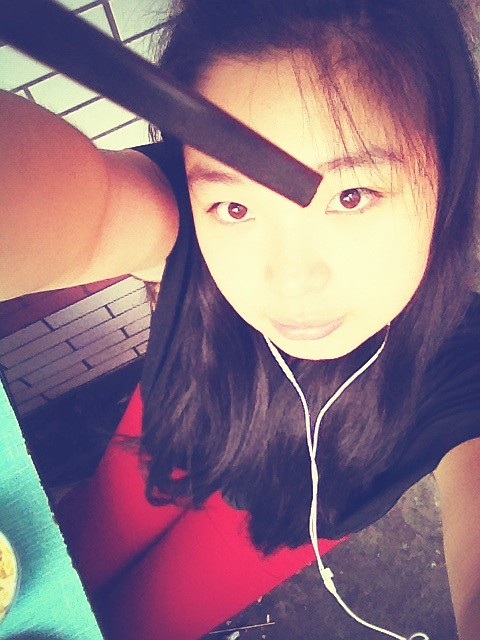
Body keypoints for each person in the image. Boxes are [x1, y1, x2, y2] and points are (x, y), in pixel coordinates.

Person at [1, 0, 480, 638]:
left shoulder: (463, 366)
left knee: (137, 624)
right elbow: (68, 204)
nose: (289, 281)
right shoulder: (171, 218)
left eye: (351, 195)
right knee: (52, 563)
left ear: (452, 167)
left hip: (273, 527)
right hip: (163, 435)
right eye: (233, 206)